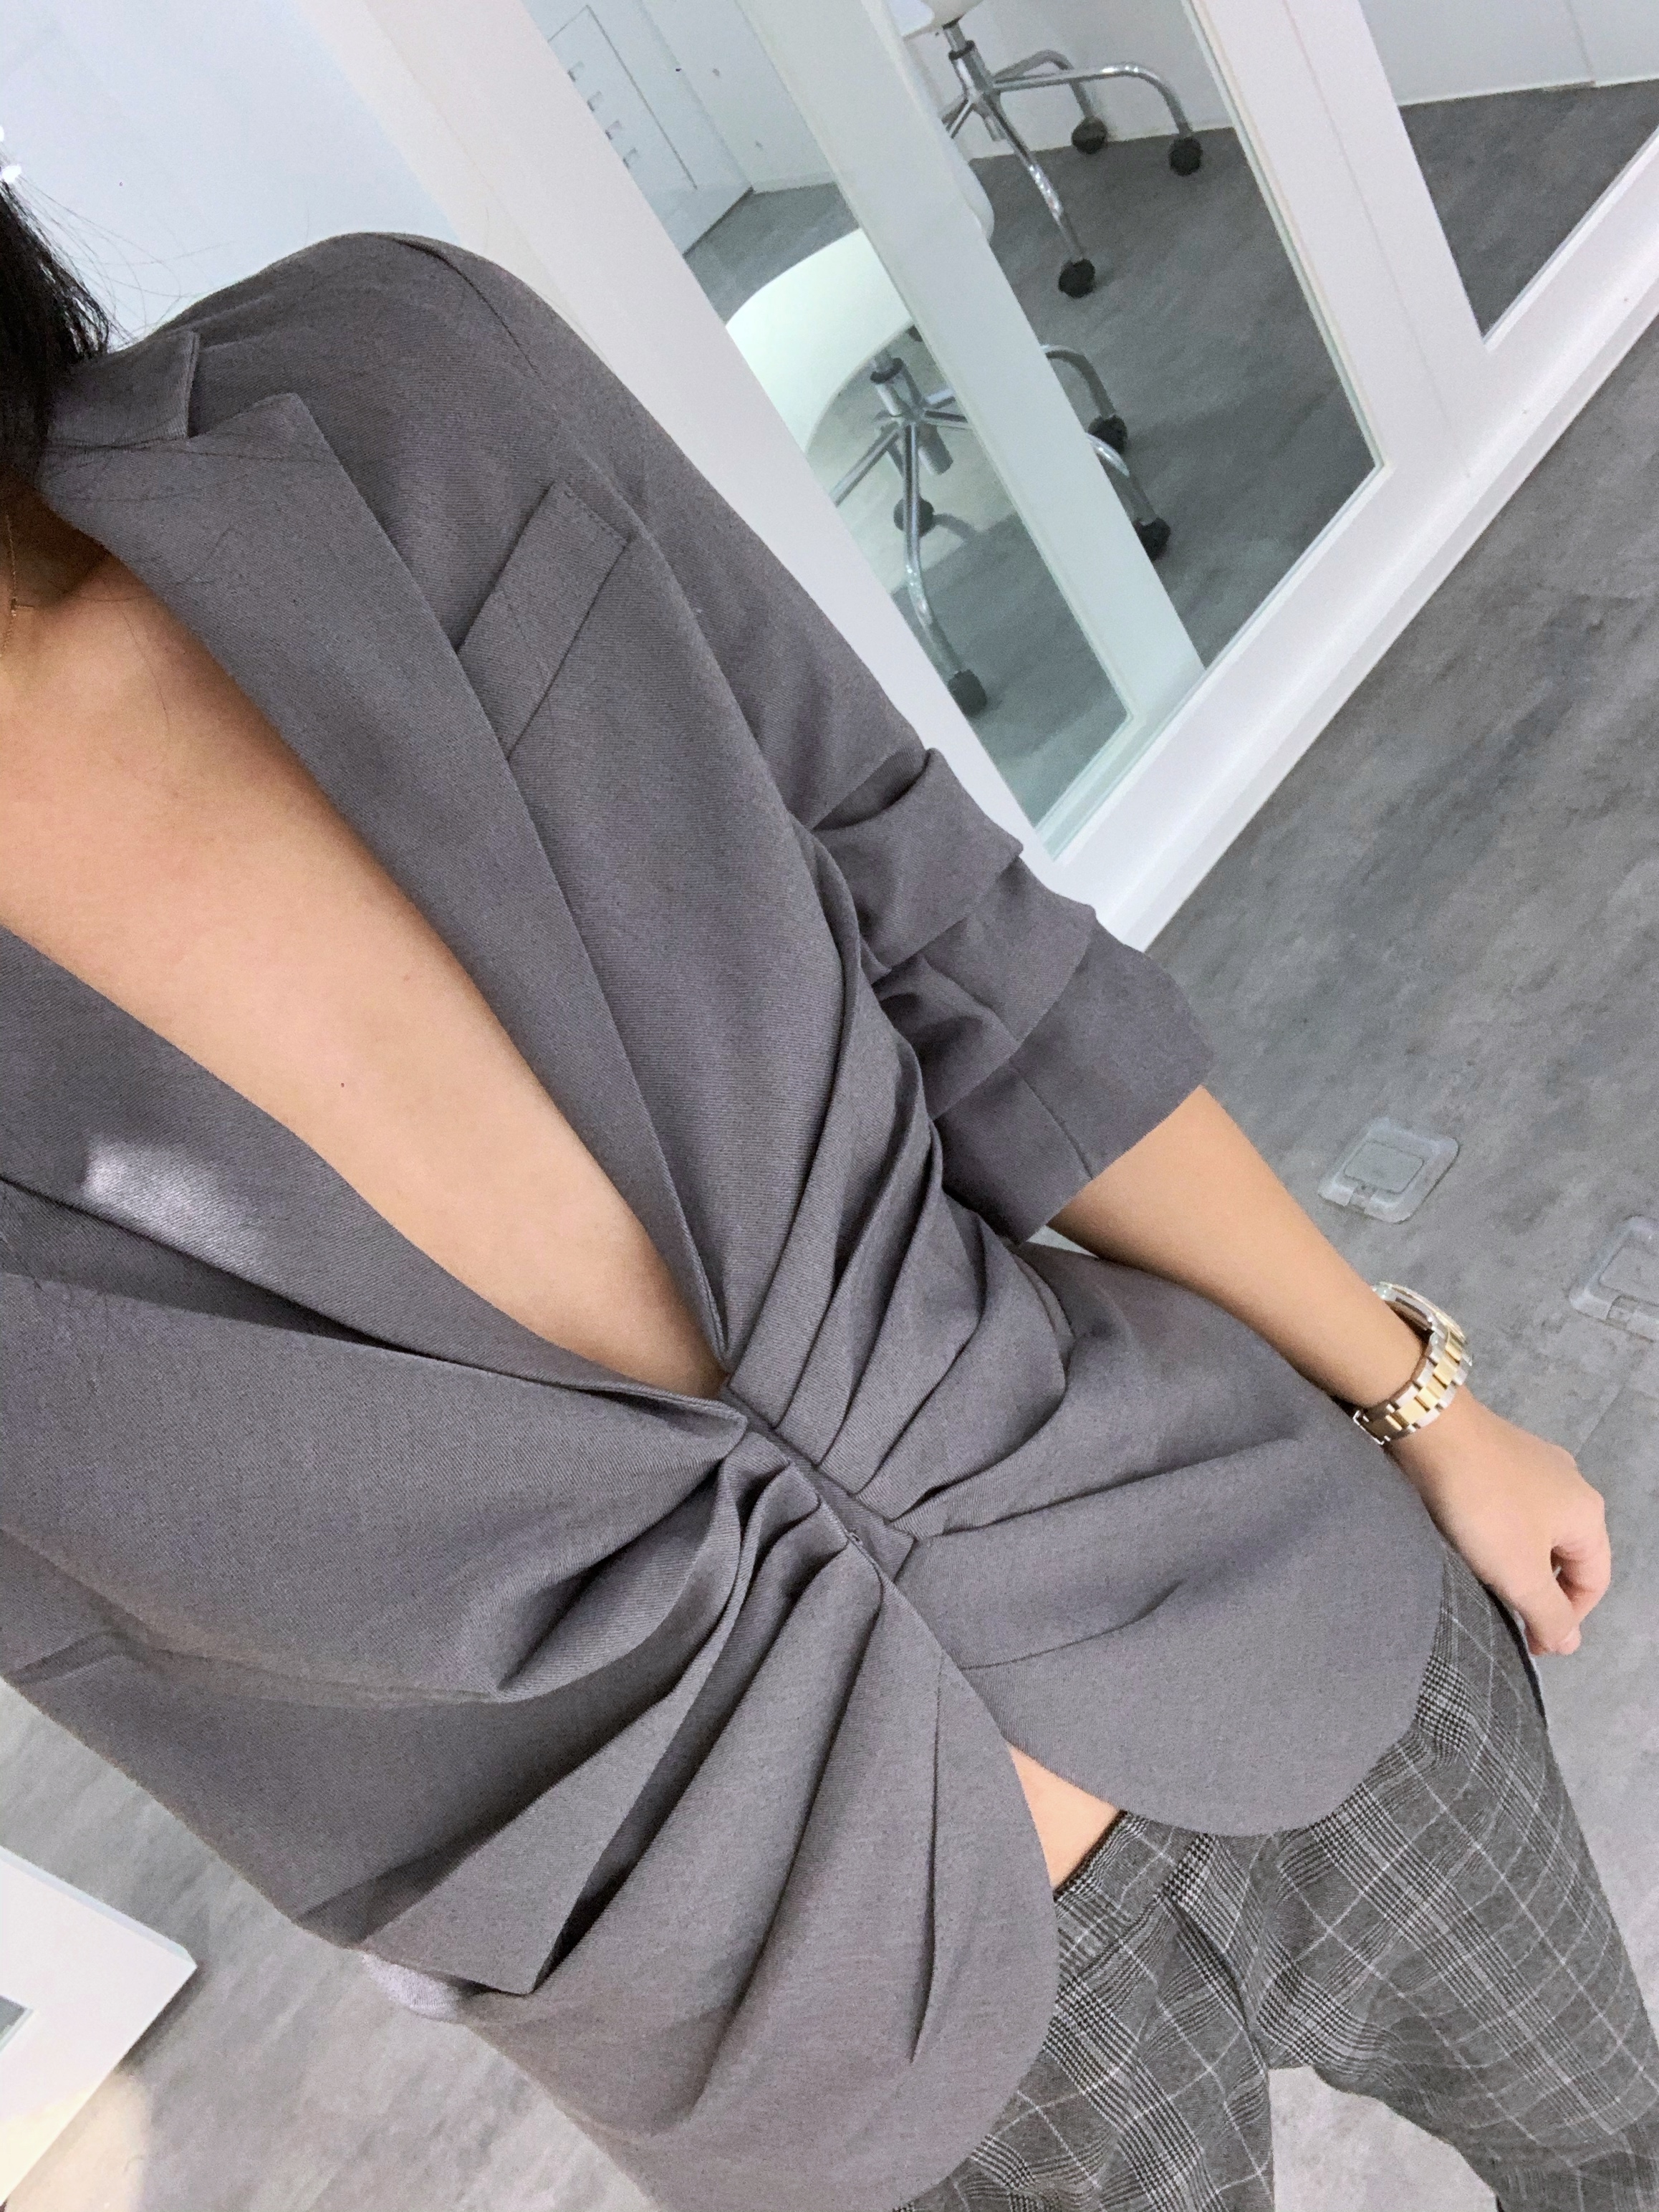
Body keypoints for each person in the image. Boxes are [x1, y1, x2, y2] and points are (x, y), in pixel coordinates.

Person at [0, 165, 1653, 2212]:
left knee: (1621, 2149)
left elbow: (959, 941)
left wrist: (1419, 1399)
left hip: (1254, 1592)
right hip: (841, 2028)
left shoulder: (388, 381)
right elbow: (168, 1694)